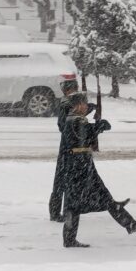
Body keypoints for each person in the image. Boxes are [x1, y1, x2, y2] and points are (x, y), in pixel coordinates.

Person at [61, 93, 136, 247]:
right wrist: (99, 126)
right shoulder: (75, 121)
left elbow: (87, 132)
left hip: (82, 165)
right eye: (85, 103)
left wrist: (97, 123)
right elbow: (84, 135)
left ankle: (129, 223)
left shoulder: (74, 118)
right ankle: (69, 239)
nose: (86, 106)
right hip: (78, 167)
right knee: (74, 205)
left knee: (102, 197)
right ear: (78, 105)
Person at [48, 79, 94, 222]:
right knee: (61, 181)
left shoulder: (69, 103)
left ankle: (62, 211)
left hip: (69, 148)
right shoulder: (65, 105)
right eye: (73, 89)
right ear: (68, 91)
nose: (76, 91)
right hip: (67, 148)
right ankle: (56, 212)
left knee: (64, 181)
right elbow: (64, 125)